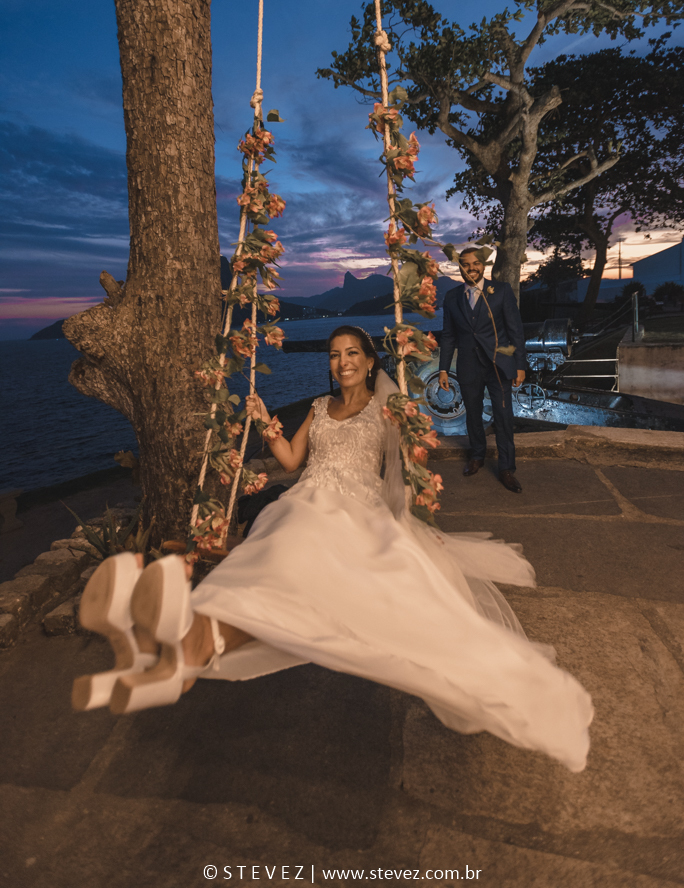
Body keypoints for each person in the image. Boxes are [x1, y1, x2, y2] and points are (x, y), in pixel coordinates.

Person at [74, 325, 593, 772]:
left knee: (284, 559)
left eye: (351, 354)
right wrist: (264, 424)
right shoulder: (320, 407)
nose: (341, 362)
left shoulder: (389, 408)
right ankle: (184, 648)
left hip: (354, 510)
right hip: (303, 500)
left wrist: (411, 443)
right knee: (264, 559)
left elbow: (409, 463)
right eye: (334, 355)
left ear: (370, 363)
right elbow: (293, 461)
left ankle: (180, 645)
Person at [438, 247, 527, 493]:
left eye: (475, 263)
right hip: (468, 365)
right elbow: (448, 336)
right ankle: (476, 456)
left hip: (499, 366)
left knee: (504, 417)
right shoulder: (452, 297)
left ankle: (507, 468)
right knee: (473, 415)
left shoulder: (501, 291)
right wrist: (443, 369)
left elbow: (515, 330)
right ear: (459, 267)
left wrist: (520, 365)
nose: (471, 268)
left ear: (483, 265)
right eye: (465, 264)